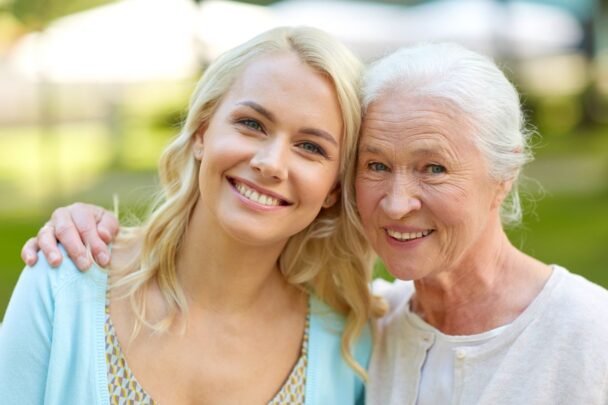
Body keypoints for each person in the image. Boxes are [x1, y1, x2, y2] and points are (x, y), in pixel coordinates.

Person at [20, 43, 608, 404]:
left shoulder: (590, 336)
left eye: (434, 167)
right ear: (201, 130)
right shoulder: (372, 327)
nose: (398, 202)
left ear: (503, 175)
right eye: (376, 165)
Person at [1, 26, 386, 405]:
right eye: (252, 124)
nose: (270, 164)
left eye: (310, 147)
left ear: (333, 188)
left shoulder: (349, 345)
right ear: (202, 131)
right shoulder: (64, 284)